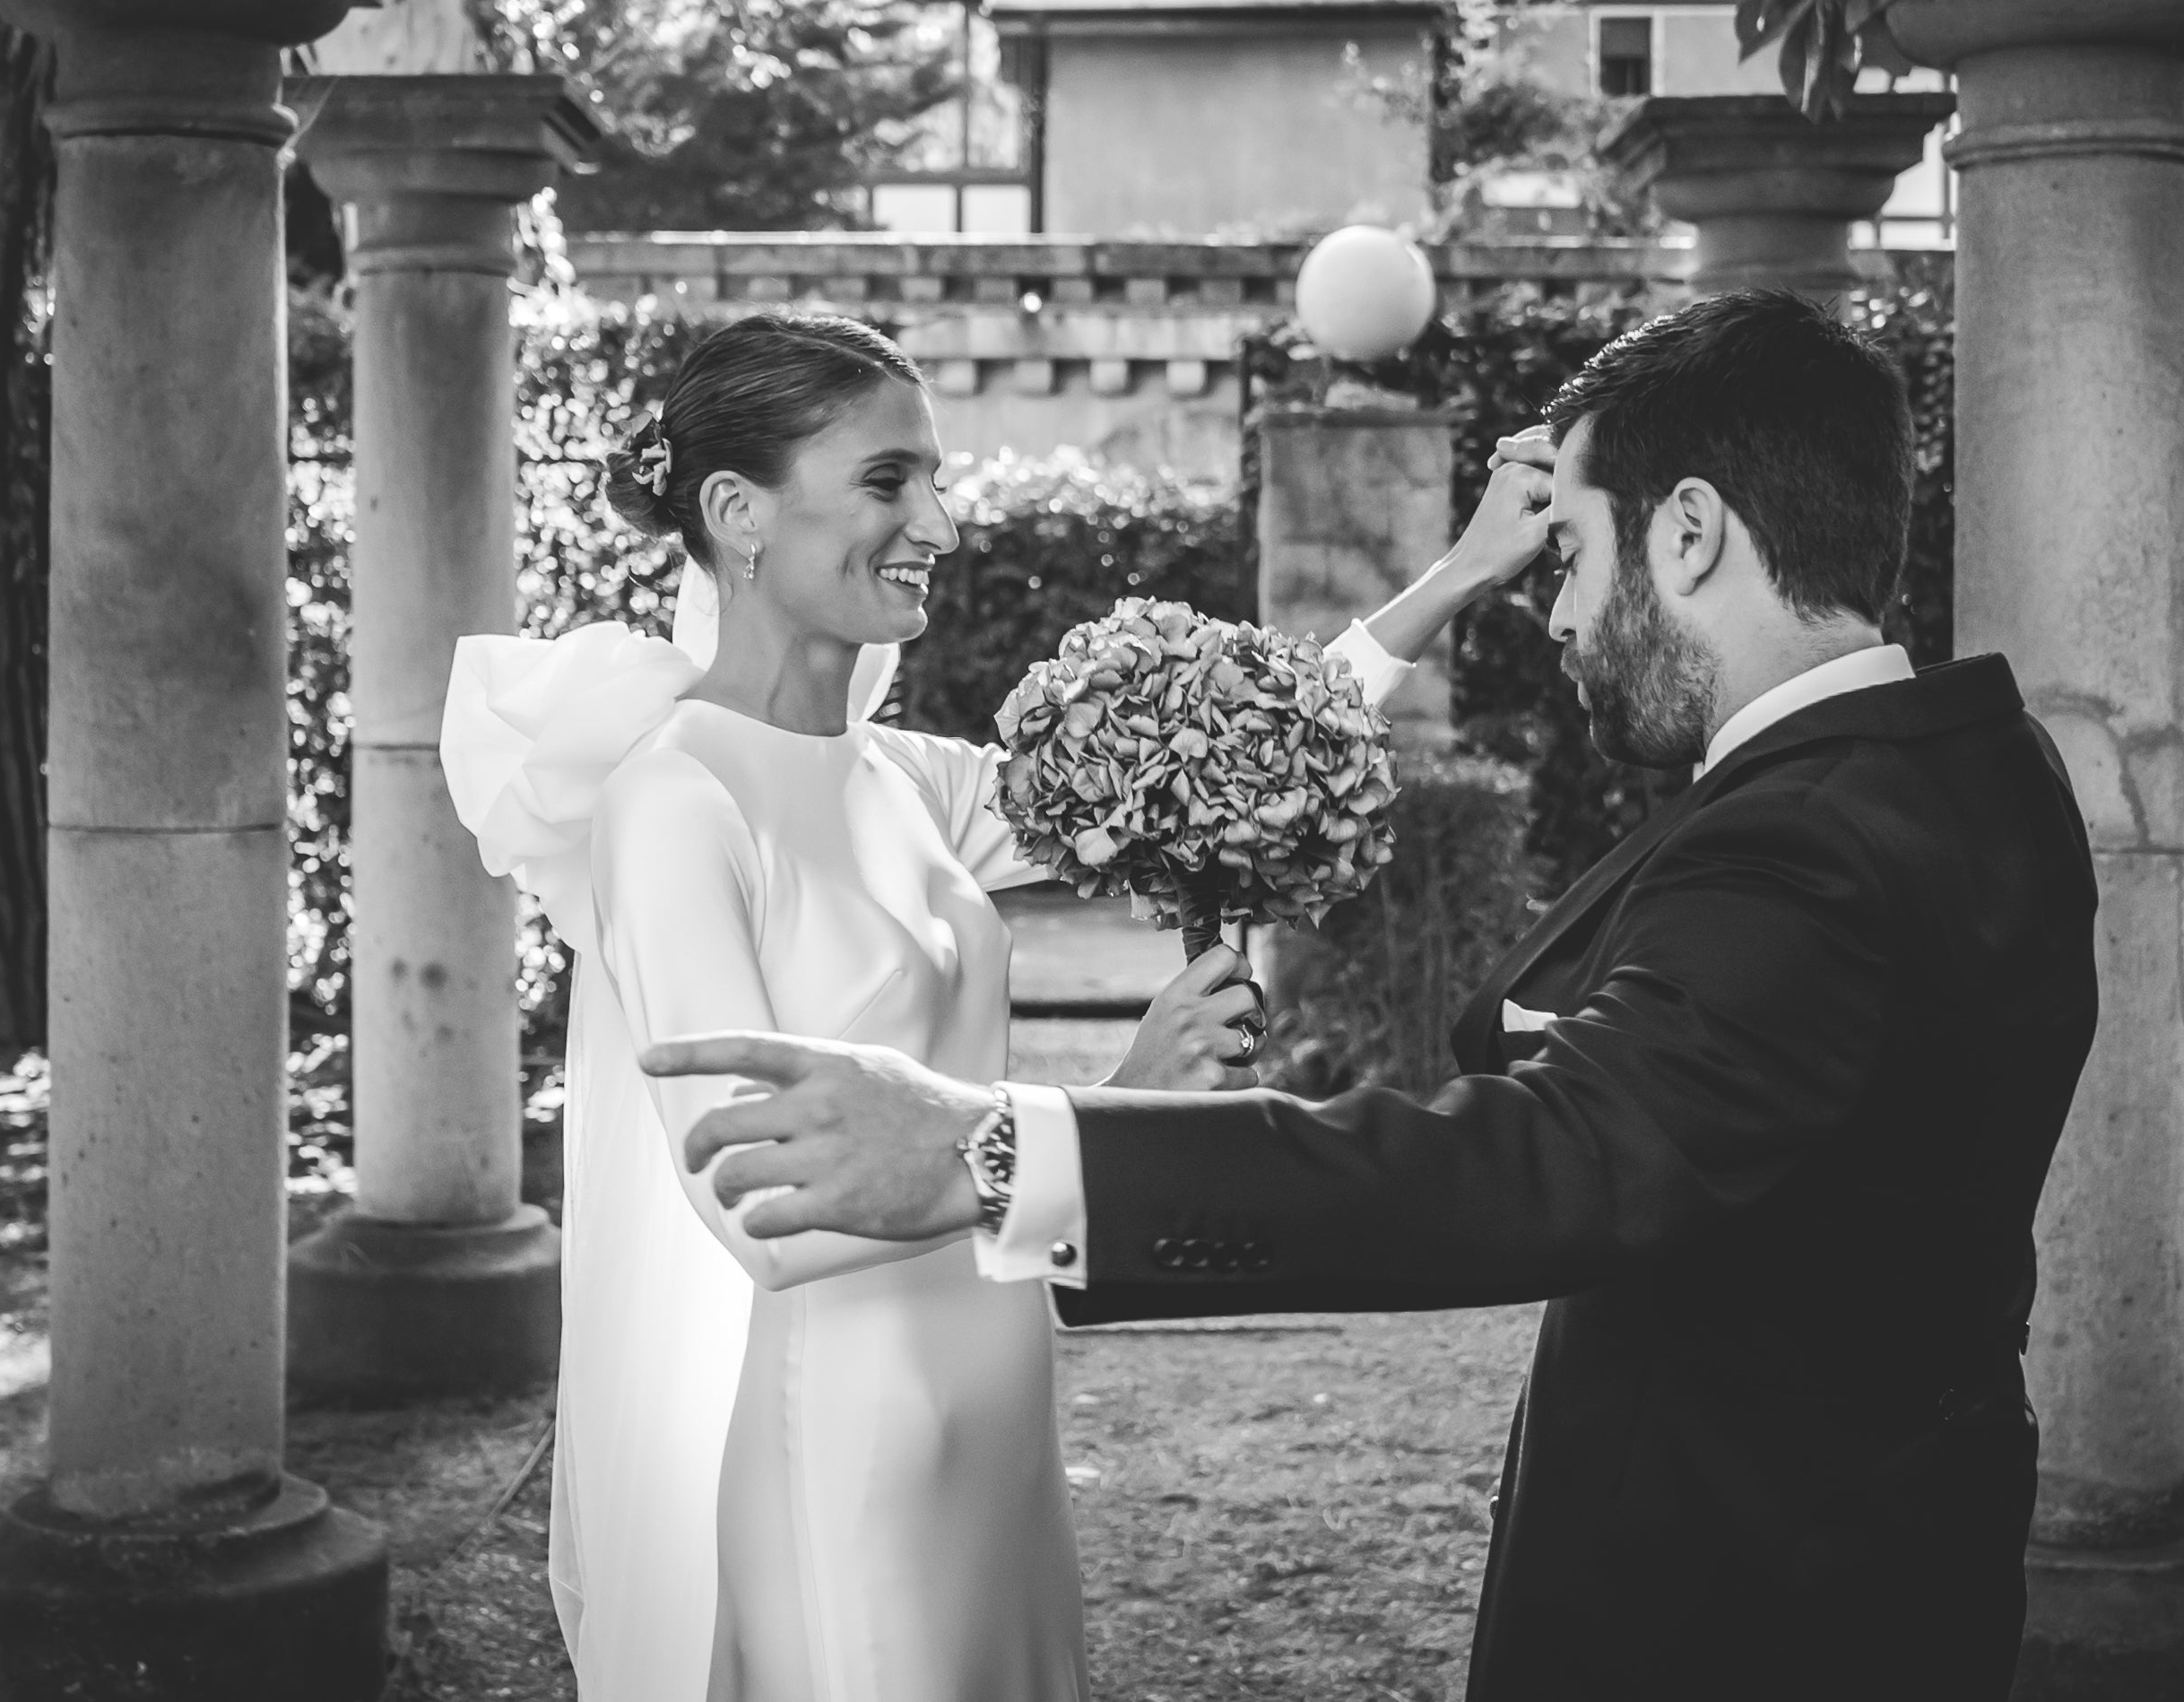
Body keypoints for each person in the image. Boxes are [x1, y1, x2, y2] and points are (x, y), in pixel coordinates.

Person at [640, 290, 2105, 1701]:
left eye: (1571, 557)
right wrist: (1464, 572)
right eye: (890, 477)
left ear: (1695, 530)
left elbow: (1565, 1152)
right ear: (735, 511)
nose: (1559, 615)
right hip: (1881, 1527)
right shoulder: (1980, 768)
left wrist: (1012, 1142)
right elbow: (1195, 765)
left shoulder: (1799, 835)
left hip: (1754, 1581)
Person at [438, 308, 1543, 1701]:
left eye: (935, 478)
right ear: (737, 514)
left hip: (996, 1405)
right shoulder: (676, 807)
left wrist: (1463, 571)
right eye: (890, 481)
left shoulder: (903, 780)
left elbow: (1238, 753)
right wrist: (1104, 1114)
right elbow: (756, 1204)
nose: (944, 527)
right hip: (842, 1441)